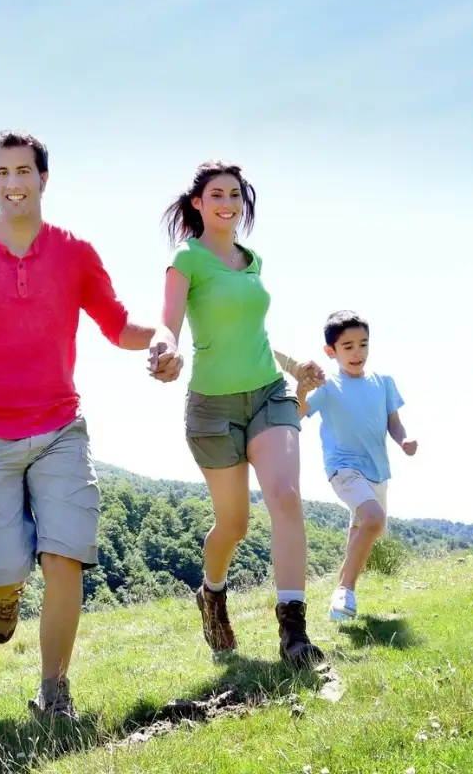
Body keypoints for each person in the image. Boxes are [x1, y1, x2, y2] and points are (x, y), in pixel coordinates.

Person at [0, 130, 172, 719]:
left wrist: (163, 337)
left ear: (44, 178)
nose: (13, 183)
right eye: (2, 172)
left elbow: (117, 325)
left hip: (59, 427)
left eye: (23, 171)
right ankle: (3, 595)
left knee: (65, 556)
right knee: (1, 571)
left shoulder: (76, 252)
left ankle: (54, 693)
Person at [145, 159, 329, 666]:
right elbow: (168, 323)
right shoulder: (187, 259)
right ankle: (212, 592)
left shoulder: (252, 260)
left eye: (235, 195)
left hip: (269, 393)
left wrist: (294, 366)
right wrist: (166, 350)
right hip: (213, 409)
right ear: (198, 204)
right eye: (217, 195)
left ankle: (294, 632)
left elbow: (254, 334)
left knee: (285, 496)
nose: (228, 203)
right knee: (234, 526)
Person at [296, 310, 418, 622]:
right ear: (331, 351)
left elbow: (394, 423)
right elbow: (296, 413)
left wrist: (404, 440)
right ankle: (346, 590)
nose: (357, 353)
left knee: (361, 531)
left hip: (377, 470)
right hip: (343, 467)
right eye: (348, 346)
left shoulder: (383, 383)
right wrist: (302, 388)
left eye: (363, 344)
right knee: (374, 519)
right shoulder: (328, 387)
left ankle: (340, 603)